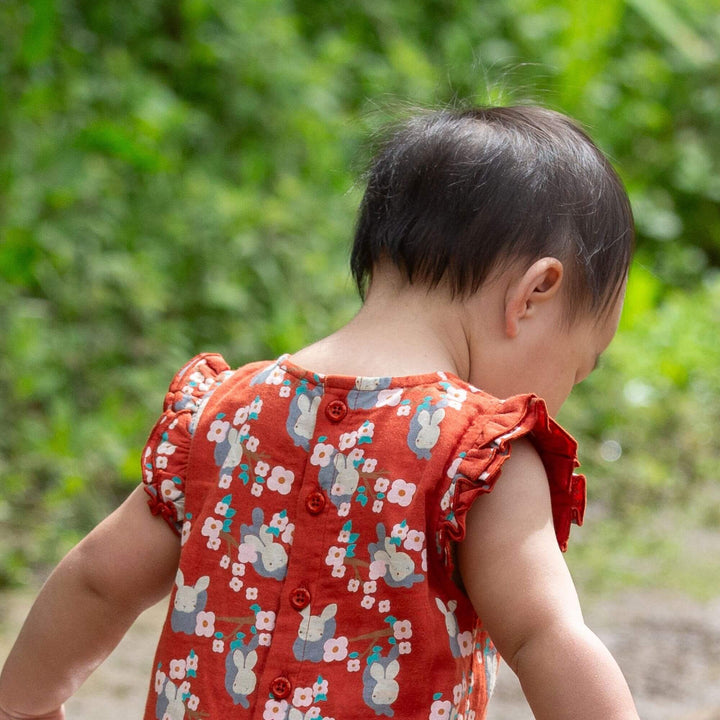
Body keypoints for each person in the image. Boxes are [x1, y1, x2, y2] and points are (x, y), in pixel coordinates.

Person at [0, 105, 641, 720]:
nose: (565, 394)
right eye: (578, 367)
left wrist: (24, 700)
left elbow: (98, 581)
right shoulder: (475, 456)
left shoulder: (225, 415)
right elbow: (546, 639)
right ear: (533, 294)